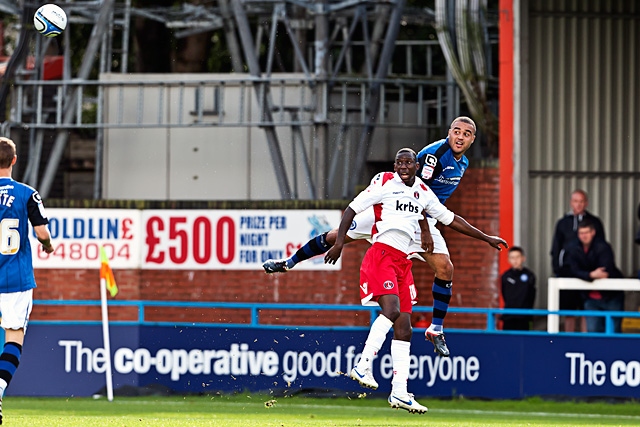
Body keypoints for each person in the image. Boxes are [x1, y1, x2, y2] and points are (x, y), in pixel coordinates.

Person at [263, 116, 478, 357]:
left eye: (466, 134)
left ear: (472, 139)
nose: (460, 137)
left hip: (422, 219)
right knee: (336, 236)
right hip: (398, 212)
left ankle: (435, 329)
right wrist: (426, 228)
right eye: (456, 131)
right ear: (449, 132)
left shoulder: (463, 162)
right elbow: (413, 188)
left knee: (445, 267)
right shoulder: (435, 155)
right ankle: (288, 263)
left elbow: (431, 201)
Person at [324, 148, 506, 414]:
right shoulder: (385, 184)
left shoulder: (422, 192)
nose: (403, 166)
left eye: (408, 162)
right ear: (395, 165)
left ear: (417, 166)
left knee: (405, 328)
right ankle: (362, 365)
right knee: (392, 311)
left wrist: (486, 237)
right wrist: (339, 242)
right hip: (382, 254)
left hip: (403, 263)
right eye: (399, 161)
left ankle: (399, 391)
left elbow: (451, 219)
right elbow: (352, 209)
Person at [0, 137, 55, 424]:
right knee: (13, 338)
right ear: (14, 160)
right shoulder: (27, 194)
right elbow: (42, 234)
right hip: (14, 280)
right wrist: (47, 246)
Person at [550, 189, 605, 332]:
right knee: (569, 310)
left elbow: (602, 247)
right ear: (571, 203)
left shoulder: (595, 222)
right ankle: (570, 339)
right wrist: (557, 268)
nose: (578, 204)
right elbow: (556, 248)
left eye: (581, 201)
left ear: (586, 203)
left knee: (586, 308)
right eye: (575, 201)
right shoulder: (562, 223)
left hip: (588, 272)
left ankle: (585, 340)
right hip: (567, 272)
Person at [564, 219, 624, 333]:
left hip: (612, 296)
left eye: (586, 232)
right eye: (581, 233)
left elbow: (605, 271)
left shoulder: (603, 246)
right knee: (592, 331)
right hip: (590, 298)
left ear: (593, 232)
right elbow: (571, 270)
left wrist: (583, 274)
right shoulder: (572, 248)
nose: (583, 236)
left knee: (613, 331)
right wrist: (590, 274)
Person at [500, 247, 536, 331]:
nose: (515, 260)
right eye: (512, 257)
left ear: (523, 258)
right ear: (508, 260)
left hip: (524, 317)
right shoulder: (505, 276)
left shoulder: (530, 275)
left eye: (517, 257)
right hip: (509, 316)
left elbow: (531, 295)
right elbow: (504, 294)